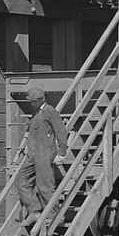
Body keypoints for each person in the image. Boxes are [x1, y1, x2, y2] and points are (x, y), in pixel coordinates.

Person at [15, 85, 68, 224]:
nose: (31, 103)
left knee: (45, 185)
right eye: (31, 101)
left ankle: (54, 215)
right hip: (32, 154)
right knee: (21, 181)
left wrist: (61, 153)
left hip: (45, 154)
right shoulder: (36, 112)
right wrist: (27, 147)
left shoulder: (50, 111)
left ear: (41, 99)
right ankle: (35, 210)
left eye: (34, 101)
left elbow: (61, 132)